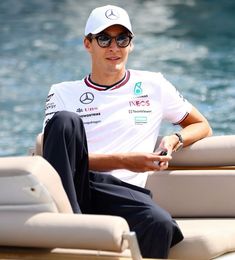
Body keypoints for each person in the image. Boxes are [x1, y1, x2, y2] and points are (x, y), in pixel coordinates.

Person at [42, 5, 212, 259]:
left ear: (131, 44)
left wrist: (173, 139)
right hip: (77, 185)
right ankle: (70, 228)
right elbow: (56, 158)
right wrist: (126, 161)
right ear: (88, 44)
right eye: (104, 39)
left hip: (122, 192)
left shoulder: (154, 84)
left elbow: (202, 126)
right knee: (65, 120)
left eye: (122, 39)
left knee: (160, 223)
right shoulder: (63, 92)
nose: (114, 47)